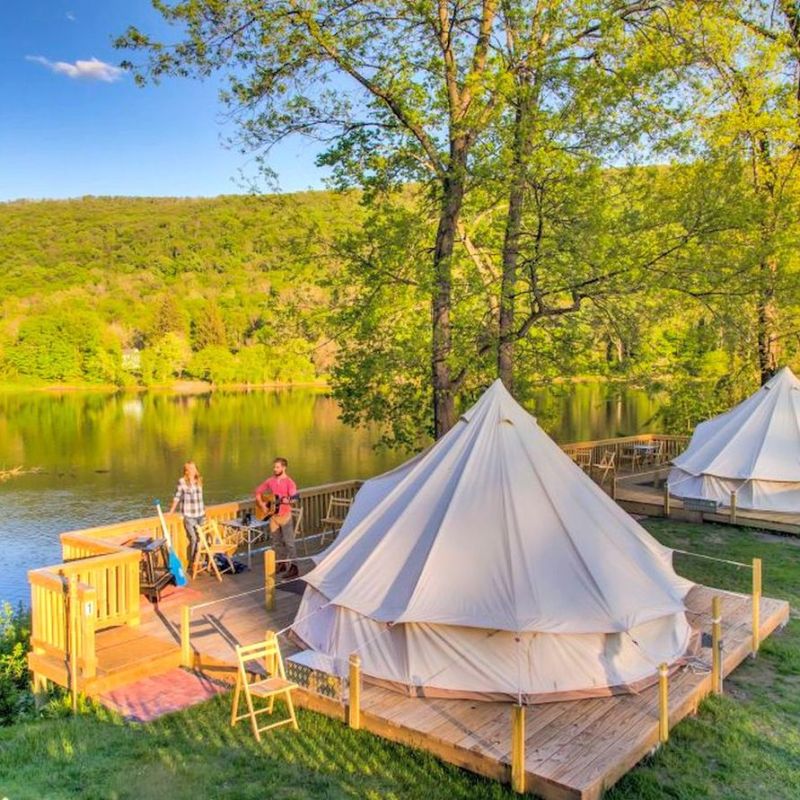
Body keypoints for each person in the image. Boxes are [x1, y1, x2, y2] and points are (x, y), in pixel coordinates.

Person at [255, 457, 298, 578]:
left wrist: (285, 500)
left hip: (285, 516)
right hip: (273, 516)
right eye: (274, 467)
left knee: (289, 543)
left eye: (277, 467)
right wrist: (262, 505)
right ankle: (281, 563)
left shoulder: (290, 482)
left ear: (284, 468)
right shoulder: (270, 481)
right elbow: (258, 491)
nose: (275, 469)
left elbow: (295, 498)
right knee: (276, 542)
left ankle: (294, 567)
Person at [169, 461, 205, 571]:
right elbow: (177, 497)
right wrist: (171, 512)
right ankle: (192, 562)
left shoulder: (199, 480)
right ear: (186, 470)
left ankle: (201, 561)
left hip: (200, 514)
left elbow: (200, 499)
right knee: (194, 539)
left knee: (202, 539)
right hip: (189, 515)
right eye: (191, 468)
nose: (194, 470)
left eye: (195, 468)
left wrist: (204, 511)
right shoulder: (182, 482)